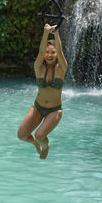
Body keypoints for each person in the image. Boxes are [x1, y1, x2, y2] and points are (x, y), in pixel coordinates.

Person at [17, 22, 68, 160]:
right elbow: (39, 52)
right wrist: (46, 33)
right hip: (38, 107)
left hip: (54, 110)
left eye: (53, 52)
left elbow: (61, 51)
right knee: (22, 135)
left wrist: (56, 35)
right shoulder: (38, 68)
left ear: (57, 54)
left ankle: (45, 146)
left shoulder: (61, 68)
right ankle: (35, 144)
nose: (49, 55)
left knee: (40, 135)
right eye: (47, 52)